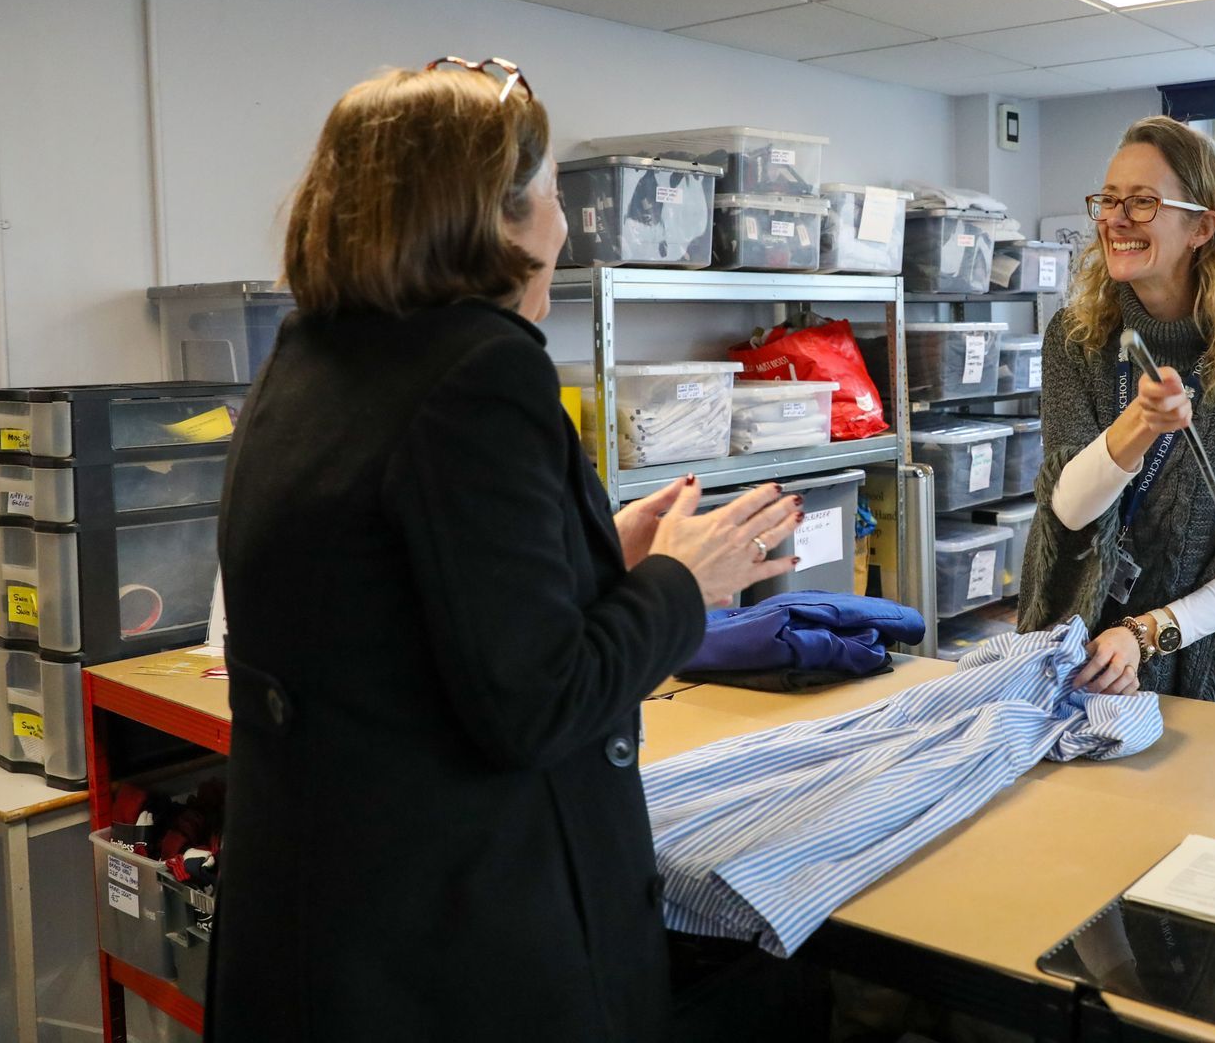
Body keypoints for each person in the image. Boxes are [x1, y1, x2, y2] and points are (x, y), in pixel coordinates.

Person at [208, 58, 802, 1041]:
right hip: (456, 951)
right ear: (495, 215)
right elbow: (537, 702)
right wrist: (682, 581)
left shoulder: (310, 356)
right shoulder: (479, 375)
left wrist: (604, 553)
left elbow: (398, 603)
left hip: (328, 935)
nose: (568, 224)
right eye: (558, 193)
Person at [1018, 116, 1215, 709]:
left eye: (1141, 202)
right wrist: (1136, 428)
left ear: (1202, 226)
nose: (1114, 219)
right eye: (1108, 200)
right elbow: (1069, 509)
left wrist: (1149, 632)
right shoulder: (1077, 338)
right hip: (1077, 647)